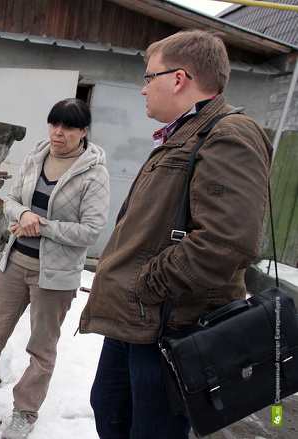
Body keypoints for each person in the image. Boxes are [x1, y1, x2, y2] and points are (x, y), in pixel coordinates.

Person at [79, 29, 273, 439]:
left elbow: (225, 243)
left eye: (150, 77)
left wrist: (146, 284)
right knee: (111, 410)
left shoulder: (228, 134)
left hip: (169, 323)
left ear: (179, 78)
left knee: (153, 429)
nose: (144, 88)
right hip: (138, 318)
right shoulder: (185, 132)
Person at [0, 98, 110, 438]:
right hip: (15, 264)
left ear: (84, 131)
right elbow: (11, 200)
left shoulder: (95, 174)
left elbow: (91, 230)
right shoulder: (36, 156)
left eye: (68, 127)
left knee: (41, 350)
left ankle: (25, 414)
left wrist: (41, 226)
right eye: (54, 124)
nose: (58, 133)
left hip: (54, 277)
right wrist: (22, 215)